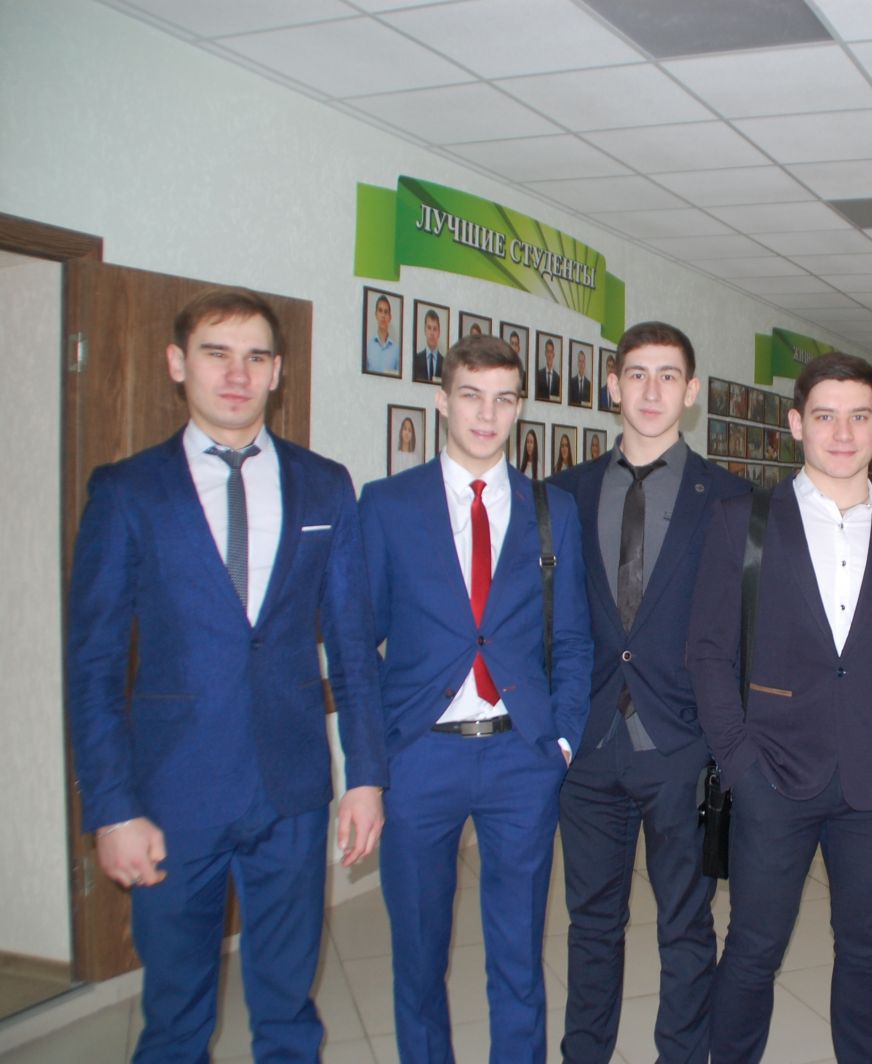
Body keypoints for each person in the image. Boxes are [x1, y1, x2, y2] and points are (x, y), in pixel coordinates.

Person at [67, 287, 387, 1061]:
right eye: (217, 354)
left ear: (277, 371)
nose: (237, 375)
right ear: (178, 364)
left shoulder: (324, 485)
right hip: (173, 797)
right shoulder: (128, 491)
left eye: (255, 357)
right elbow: (95, 664)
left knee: (287, 1010)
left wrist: (367, 778)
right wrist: (111, 807)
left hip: (291, 792)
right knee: (175, 1017)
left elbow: (351, 648)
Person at [688, 352, 872, 1063]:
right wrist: (740, 765)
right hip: (772, 774)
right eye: (826, 416)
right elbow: (708, 653)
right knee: (753, 949)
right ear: (796, 424)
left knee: (869, 950)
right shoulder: (743, 522)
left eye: (858, 417)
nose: (843, 433)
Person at [359, 334, 593, 1060]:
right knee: (418, 958)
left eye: (503, 399)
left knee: (519, 957)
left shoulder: (553, 511)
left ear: (519, 407)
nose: (487, 415)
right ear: (442, 400)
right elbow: (358, 645)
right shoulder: (388, 506)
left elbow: (573, 638)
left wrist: (561, 741)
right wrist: (371, 762)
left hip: (521, 757)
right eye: (471, 396)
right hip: (418, 759)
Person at [550, 321, 751, 1064]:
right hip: (589, 747)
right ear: (613, 385)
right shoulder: (564, 495)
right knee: (591, 925)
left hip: (683, 748)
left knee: (687, 927)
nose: (652, 390)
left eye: (669, 375)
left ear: (691, 391)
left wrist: (732, 745)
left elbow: (744, 630)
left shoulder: (731, 500)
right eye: (637, 373)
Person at [366, 293, 399, 375]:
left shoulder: (397, 350)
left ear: (390, 317)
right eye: (380, 311)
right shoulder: (368, 347)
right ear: (376, 315)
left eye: (386, 312)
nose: (383, 315)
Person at [413, 308, 444, 383]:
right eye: (429, 328)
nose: (432, 333)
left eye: (435, 329)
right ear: (425, 330)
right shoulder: (416, 359)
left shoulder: (445, 363)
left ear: (439, 332)